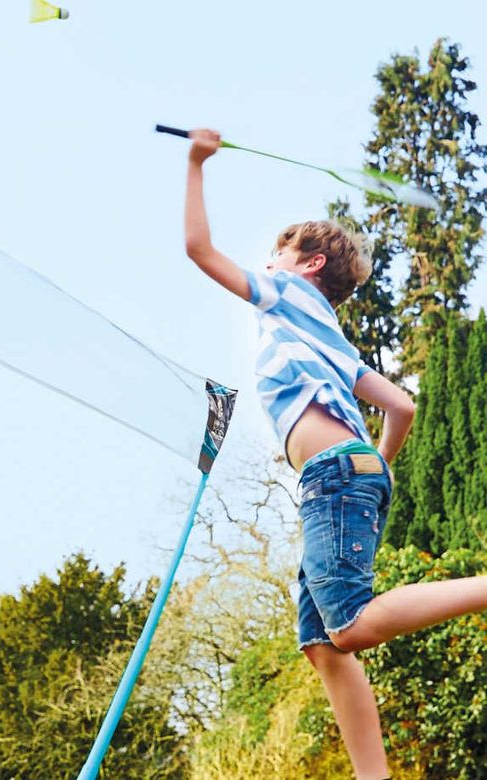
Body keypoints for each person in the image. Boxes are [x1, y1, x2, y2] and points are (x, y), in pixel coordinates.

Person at [181, 127, 487, 779]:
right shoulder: (334, 340)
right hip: (350, 474)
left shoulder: (288, 298)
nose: (266, 265)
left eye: (277, 253)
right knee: (323, 645)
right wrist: (376, 464)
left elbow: (198, 249)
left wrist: (196, 162)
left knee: (345, 627)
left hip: (336, 476)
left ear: (309, 265)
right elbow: (401, 406)